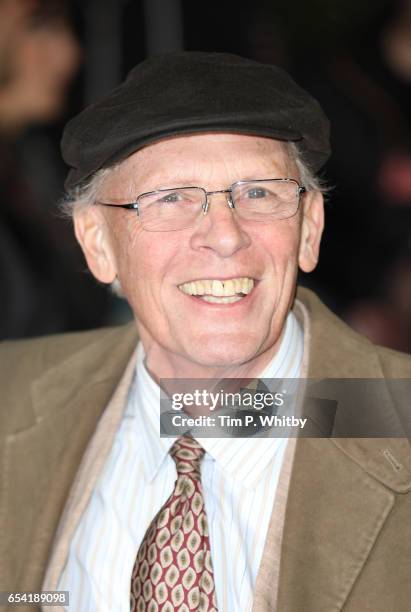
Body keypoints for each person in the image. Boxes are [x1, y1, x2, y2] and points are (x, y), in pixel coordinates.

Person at [1, 52, 410, 612]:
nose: (223, 235)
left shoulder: (393, 419)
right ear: (97, 243)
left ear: (309, 229)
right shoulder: (12, 396)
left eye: (259, 193)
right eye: (170, 198)